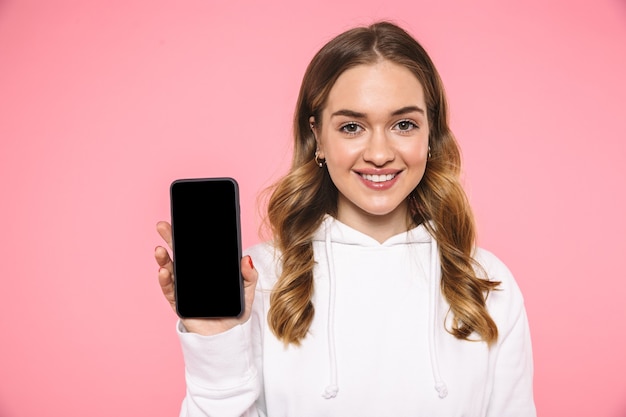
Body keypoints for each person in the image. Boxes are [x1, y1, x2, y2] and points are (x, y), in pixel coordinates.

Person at [154, 21, 536, 417]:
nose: (379, 153)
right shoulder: (257, 280)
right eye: (352, 127)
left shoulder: (488, 283)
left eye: (403, 124)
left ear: (430, 131)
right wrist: (216, 344)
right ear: (317, 135)